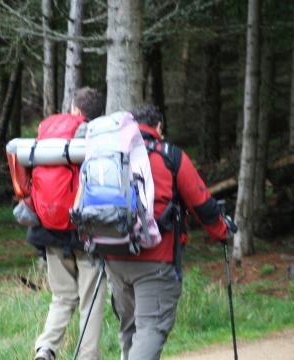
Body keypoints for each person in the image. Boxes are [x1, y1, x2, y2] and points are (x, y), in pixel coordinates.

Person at [105, 105, 228, 360]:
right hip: (155, 261)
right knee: (150, 329)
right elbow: (201, 203)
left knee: (129, 329)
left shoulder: (109, 154)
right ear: (158, 127)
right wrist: (222, 231)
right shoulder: (170, 156)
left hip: (113, 256)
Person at [28, 87, 106, 360]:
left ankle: (45, 350)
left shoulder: (49, 132)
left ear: (75, 109)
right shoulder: (95, 136)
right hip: (85, 232)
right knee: (90, 300)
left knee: (62, 297)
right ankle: (87, 357)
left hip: (48, 230)